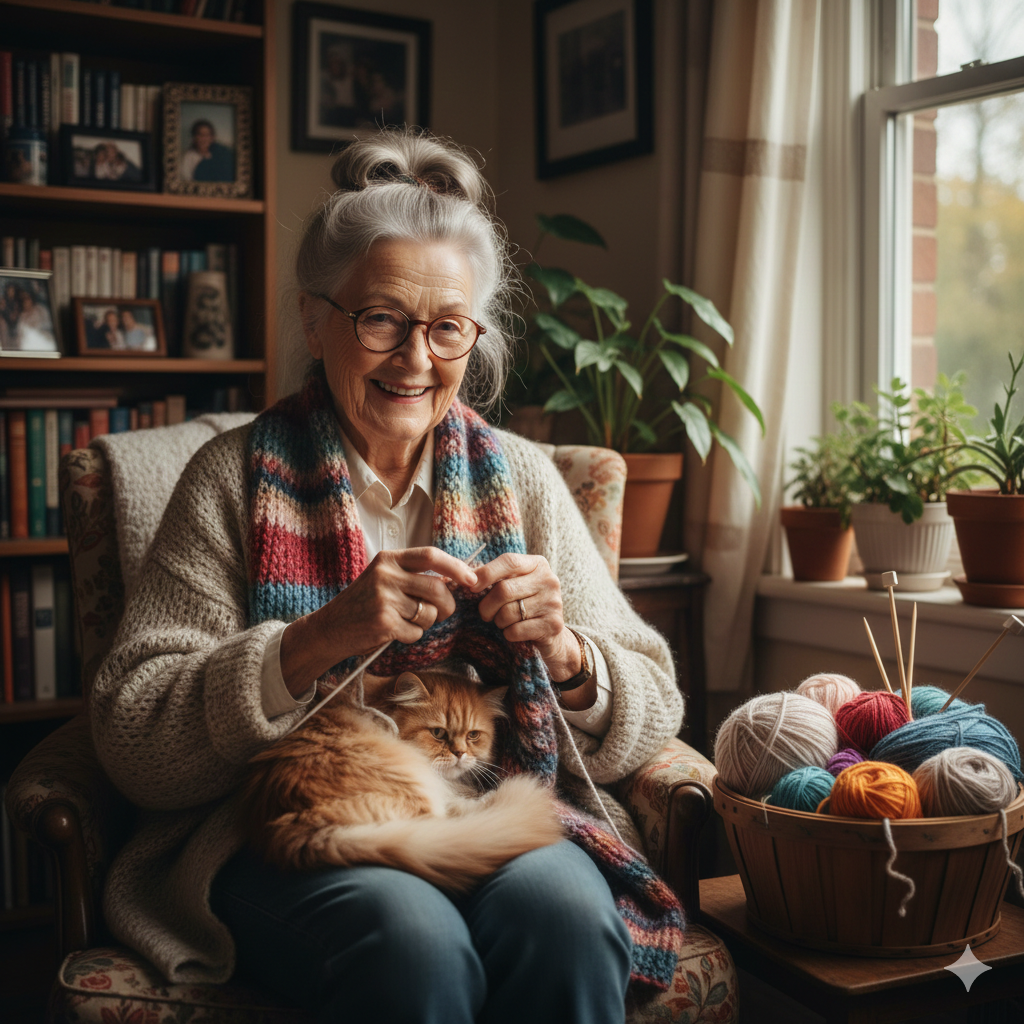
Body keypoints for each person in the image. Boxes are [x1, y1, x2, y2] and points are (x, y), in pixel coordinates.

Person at [90, 128, 684, 1024]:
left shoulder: (522, 477)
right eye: (380, 320)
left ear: (473, 335)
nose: (416, 360)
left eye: (447, 328)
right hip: (292, 831)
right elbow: (135, 736)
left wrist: (568, 653)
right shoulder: (228, 479)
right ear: (313, 317)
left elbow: (653, 700)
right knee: (408, 940)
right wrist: (321, 634)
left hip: (487, 797)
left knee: (564, 914)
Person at [181, 118, 235, 183]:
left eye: (207, 135)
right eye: (200, 135)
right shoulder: (189, 157)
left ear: (212, 138)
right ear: (194, 137)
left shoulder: (221, 153)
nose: (204, 138)